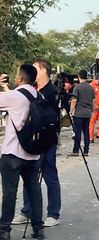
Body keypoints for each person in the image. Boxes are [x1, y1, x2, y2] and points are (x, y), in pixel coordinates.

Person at [11, 60, 61, 228]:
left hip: (47, 140)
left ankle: (53, 213)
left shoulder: (52, 92)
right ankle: (27, 210)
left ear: (44, 71)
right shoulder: (32, 90)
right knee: (29, 175)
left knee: (49, 175)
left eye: (35, 68)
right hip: (32, 139)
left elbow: (54, 119)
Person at [0, 65, 44, 239]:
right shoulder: (38, 96)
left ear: (19, 78)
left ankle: (4, 230)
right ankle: (38, 228)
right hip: (33, 153)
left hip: (12, 153)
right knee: (34, 190)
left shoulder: (14, 96)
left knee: (9, 193)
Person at [68, 70, 95, 157]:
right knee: (86, 132)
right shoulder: (91, 88)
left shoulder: (77, 87)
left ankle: (76, 150)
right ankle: (86, 150)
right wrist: (92, 111)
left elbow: (74, 100)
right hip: (88, 113)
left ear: (79, 76)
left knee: (78, 132)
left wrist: (71, 111)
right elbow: (93, 101)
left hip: (79, 113)